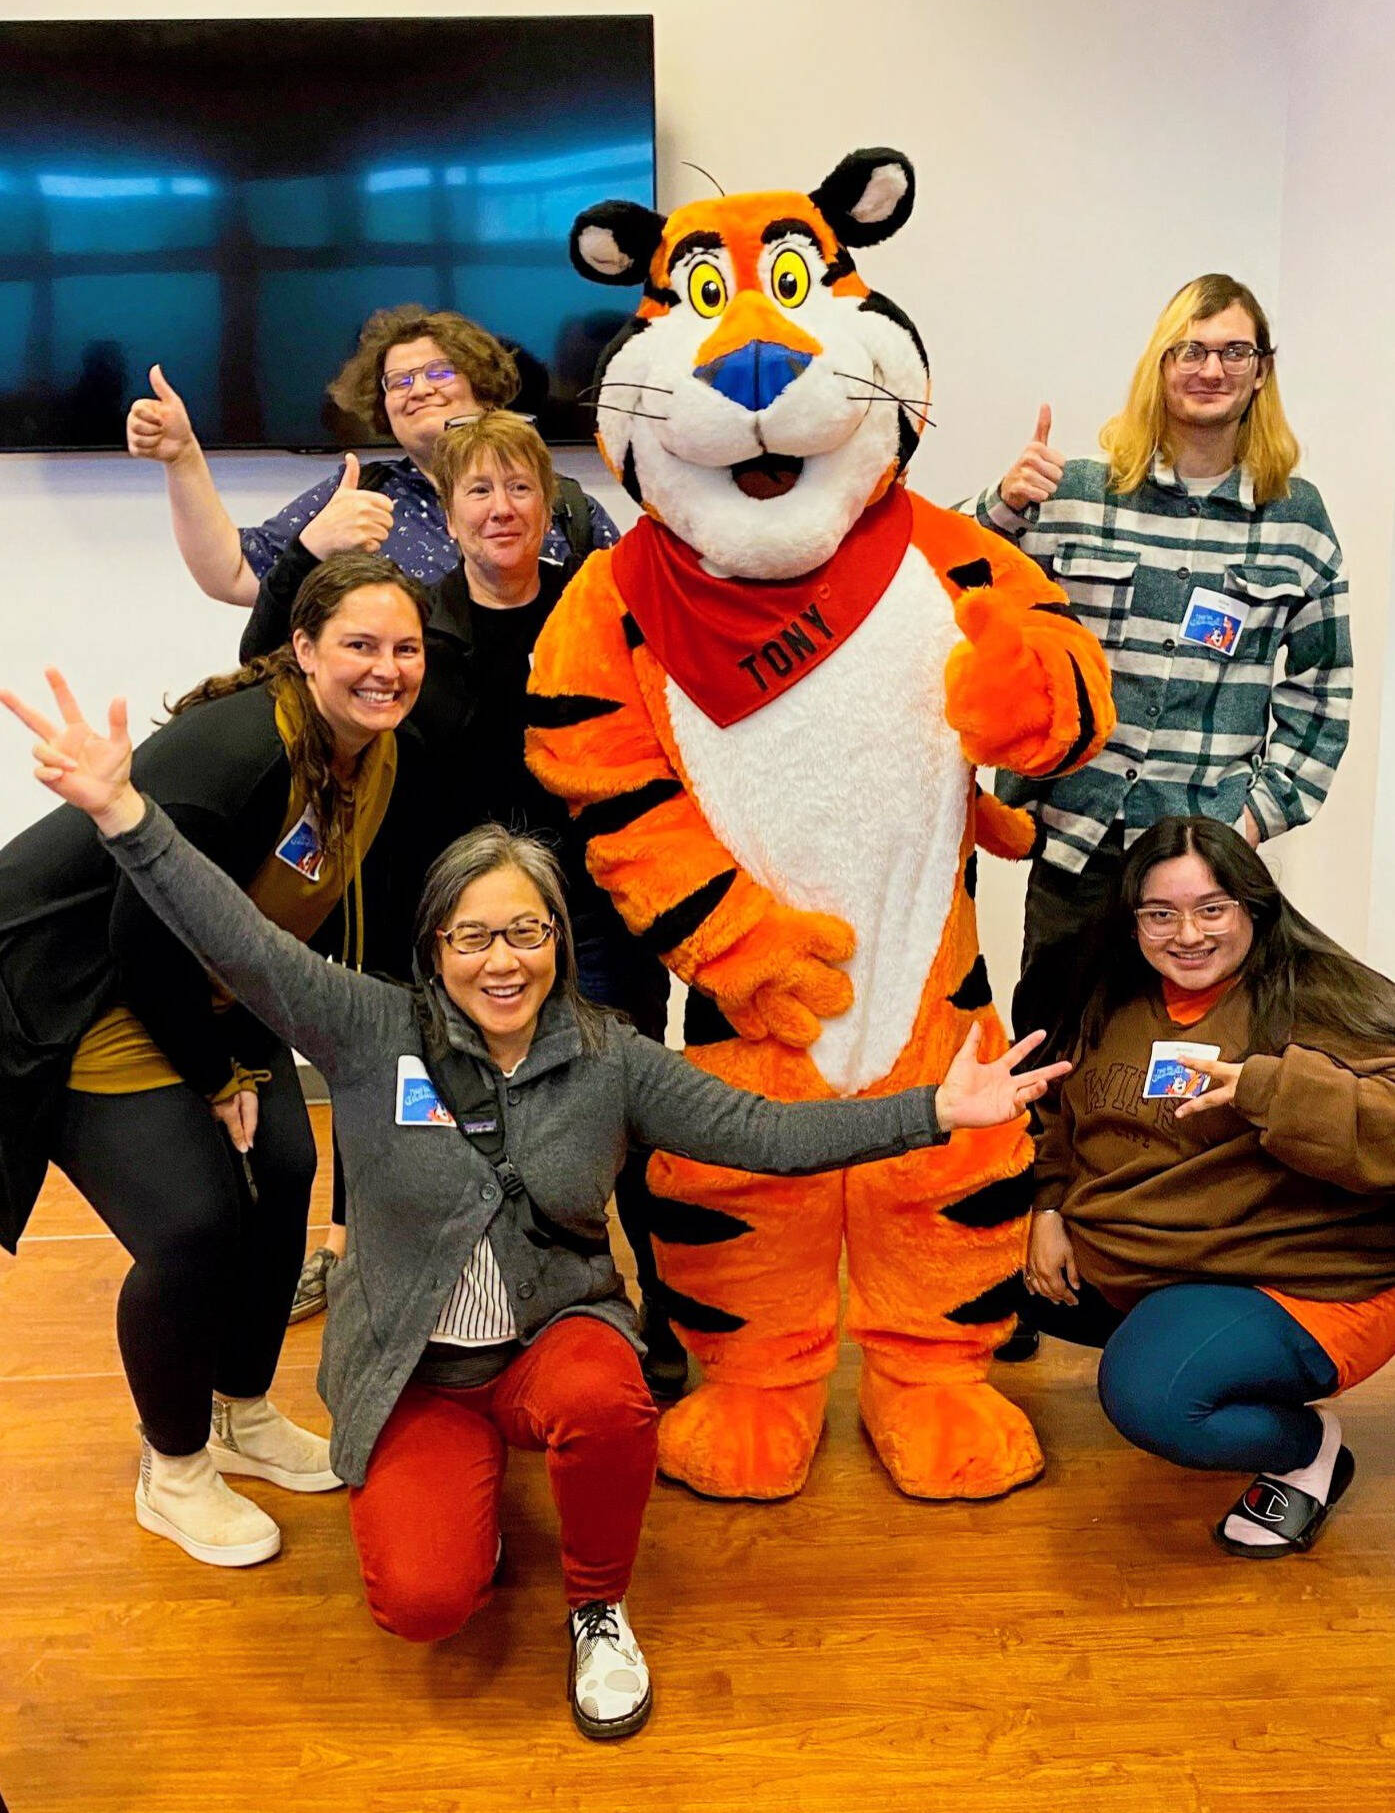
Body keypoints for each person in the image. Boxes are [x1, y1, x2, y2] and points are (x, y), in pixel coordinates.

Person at [2, 683, 1070, 1740]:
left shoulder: (608, 1057)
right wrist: (124, 815)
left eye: (526, 931)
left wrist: (935, 1108)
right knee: (423, 1604)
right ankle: (466, 1506)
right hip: (416, 1373)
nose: (501, 959)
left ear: (559, 940)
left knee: (609, 1403)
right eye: (472, 936)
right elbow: (240, 939)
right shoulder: (373, 1031)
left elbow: (768, 1134)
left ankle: (597, 1603)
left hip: (553, 1340)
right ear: (433, 949)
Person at [0, 558, 429, 1568]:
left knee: (284, 1167)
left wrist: (248, 1050)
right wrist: (219, 1073)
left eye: (404, 647)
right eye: (360, 646)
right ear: (306, 649)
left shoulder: (371, 749)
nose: (386, 668)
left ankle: (243, 1410)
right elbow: (141, 936)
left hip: (200, 980)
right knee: (194, 1220)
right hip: (79, 986)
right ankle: (176, 1463)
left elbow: (269, 913)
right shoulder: (242, 752)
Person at [245, 413, 682, 1400]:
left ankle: (662, 1312)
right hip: (446, 923)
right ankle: (433, 1321)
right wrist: (299, 562)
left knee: (627, 1113)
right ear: (448, 512)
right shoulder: (417, 625)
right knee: (422, 1119)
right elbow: (277, 655)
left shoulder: (597, 608)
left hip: (592, 914)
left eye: (521, 489)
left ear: (551, 506)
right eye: (479, 491)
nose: (502, 509)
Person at [968, 273, 1352, 1047]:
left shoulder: (1295, 518)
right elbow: (941, 579)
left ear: (1260, 369)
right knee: (1049, 1055)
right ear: (1160, 363)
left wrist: (1246, 822)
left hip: (1201, 871)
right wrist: (1002, 505)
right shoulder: (1075, 492)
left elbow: (1321, 694)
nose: (1211, 370)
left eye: (1233, 351)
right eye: (1192, 350)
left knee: (1186, 1070)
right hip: (1077, 845)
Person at [1019, 816, 1395, 1557]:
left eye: (1211, 908)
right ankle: (1199, 1350)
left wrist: (1270, 1087)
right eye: (1160, 913)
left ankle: (1302, 1443)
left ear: (1252, 908)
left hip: (1310, 1279)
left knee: (1151, 1396)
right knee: (956, 1237)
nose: (1186, 933)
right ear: (1132, 924)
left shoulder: (1323, 996)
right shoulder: (1113, 998)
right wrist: (1050, 1205)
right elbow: (1059, 1111)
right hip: (1167, 1260)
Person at [125, 303, 619, 606]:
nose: (418, 389)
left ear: (483, 384)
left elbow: (633, 622)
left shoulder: (566, 507)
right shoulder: (359, 494)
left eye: (439, 372)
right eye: (398, 382)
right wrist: (183, 457)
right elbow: (230, 573)